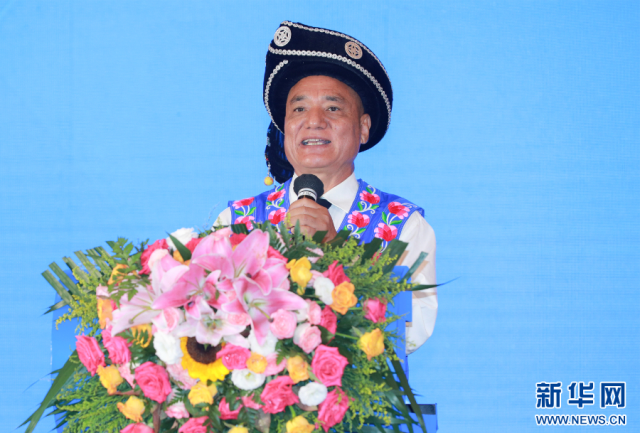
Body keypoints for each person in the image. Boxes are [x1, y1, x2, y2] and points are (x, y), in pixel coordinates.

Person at [215, 21, 437, 353]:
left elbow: (410, 333)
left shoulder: (403, 226)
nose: (314, 121)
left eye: (333, 108)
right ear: (285, 127)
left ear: (363, 128)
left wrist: (336, 255)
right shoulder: (235, 223)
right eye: (299, 109)